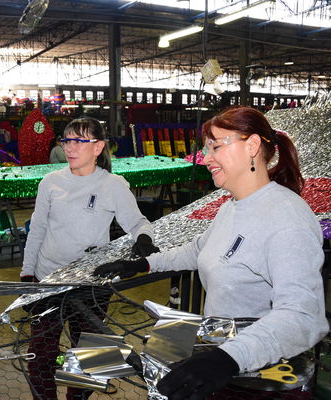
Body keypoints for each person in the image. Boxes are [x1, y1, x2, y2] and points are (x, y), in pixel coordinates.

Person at [95, 106, 328, 400]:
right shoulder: (231, 207)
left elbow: (303, 316)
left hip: (264, 377)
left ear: (253, 146)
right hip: (221, 354)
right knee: (97, 357)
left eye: (216, 146)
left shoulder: (286, 216)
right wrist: (144, 263)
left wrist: (228, 358)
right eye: (206, 149)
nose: (206, 159)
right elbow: (198, 250)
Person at [21, 116, 158, 400]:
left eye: (79, 141)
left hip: (92, 282)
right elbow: (38, 230)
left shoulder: (113, 185)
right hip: (49, 279)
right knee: (41, 352)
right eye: (67, 140)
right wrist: (27, 274)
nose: (70, 148)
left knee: (89, 353)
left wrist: (144, 239)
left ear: (98, 147)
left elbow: (138, 222)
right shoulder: (50, 182)